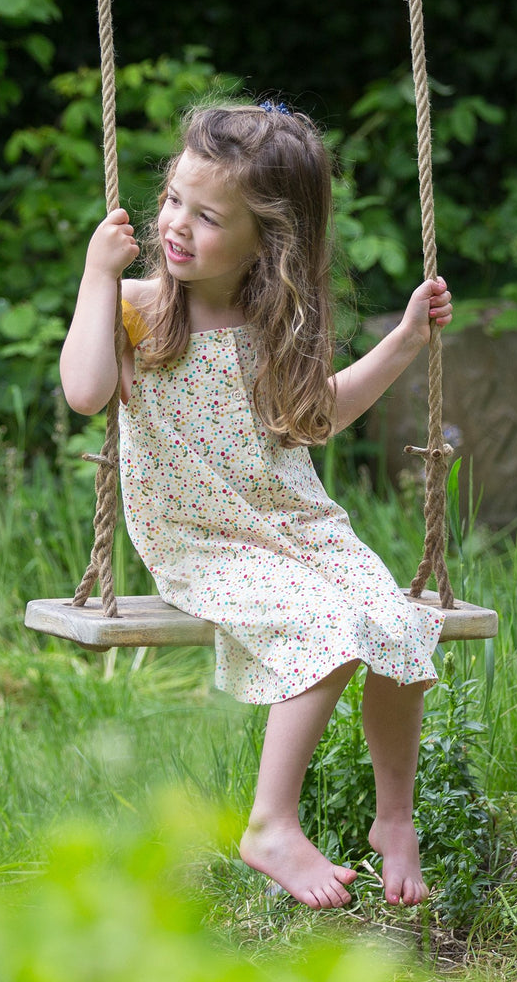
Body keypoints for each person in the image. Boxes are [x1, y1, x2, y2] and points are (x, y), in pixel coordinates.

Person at [61, 102, 453, 911]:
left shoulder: (276, 322)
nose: (174, 225)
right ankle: (271, 823)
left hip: (293, 521)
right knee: (326, 624)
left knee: (397, 618)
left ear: (266, 241)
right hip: (199, 534)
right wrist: (98, 278)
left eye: (206, 216)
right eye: (172, 200)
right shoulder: (137, 307)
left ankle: (394, 817)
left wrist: (408, 340)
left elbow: (314, 418)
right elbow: (85, 390)